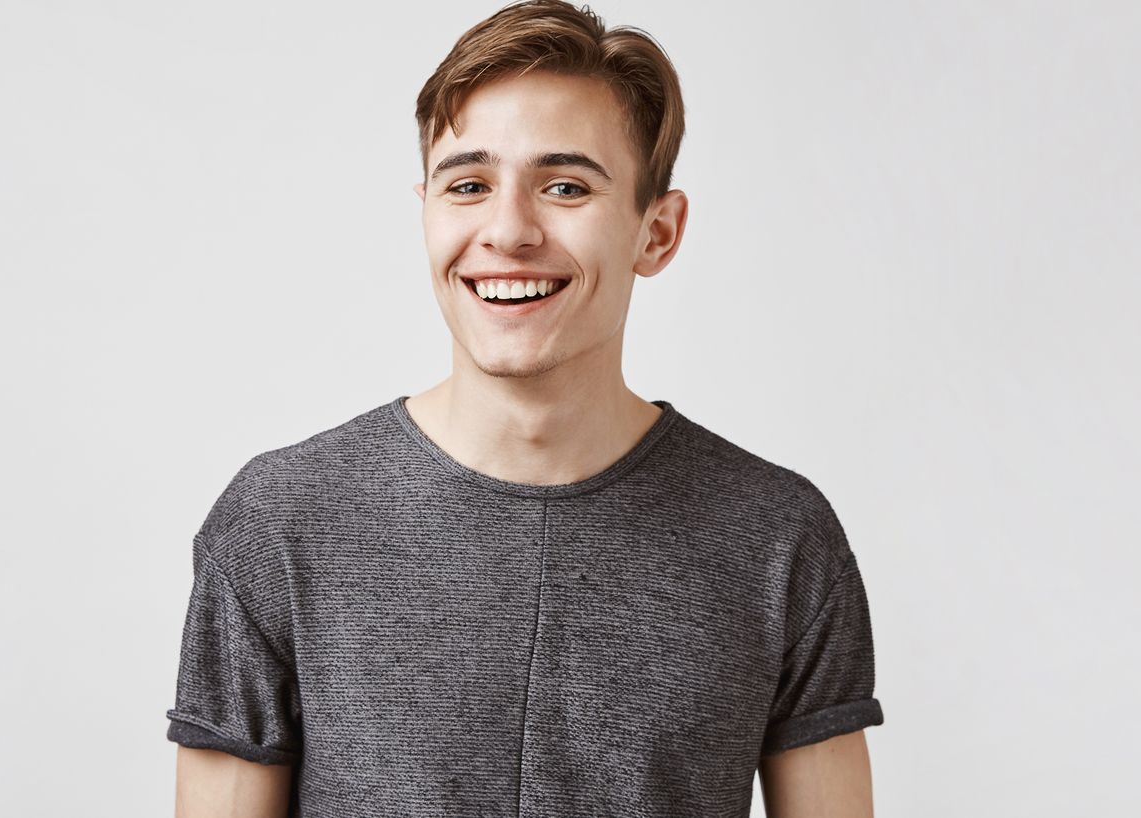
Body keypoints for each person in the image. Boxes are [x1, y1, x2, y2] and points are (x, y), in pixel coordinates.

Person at [165, 1, 884, 815]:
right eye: (468, 185)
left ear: (657, 232)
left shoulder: (781, 540)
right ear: (427, 211)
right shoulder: (277, 525)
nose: (508, 231)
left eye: (565, 186)